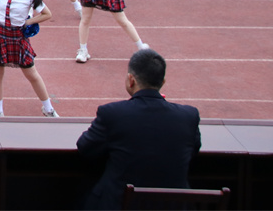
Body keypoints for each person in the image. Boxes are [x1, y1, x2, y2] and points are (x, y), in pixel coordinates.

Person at [77, 49, 201, 210]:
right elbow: (194, 151)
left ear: (131, 80)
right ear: (162, 82)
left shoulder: (112, 114)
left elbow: (85, 148)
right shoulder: (189, 116)